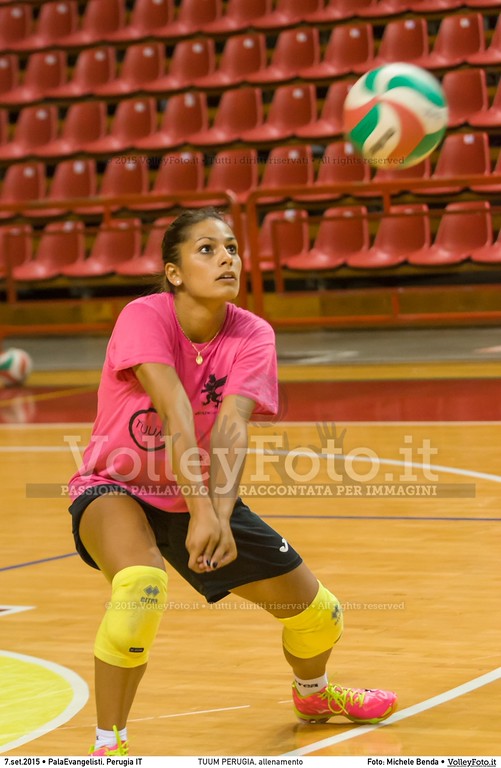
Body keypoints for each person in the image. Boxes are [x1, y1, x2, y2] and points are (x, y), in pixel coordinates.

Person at [68, 207, 397, 756]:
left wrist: (216, 514)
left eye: (231, 248)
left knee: (319, 616)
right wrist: (203, 513)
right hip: (115, 487)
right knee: (140, 589)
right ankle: (109, 745)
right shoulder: (143, 316)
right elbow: (175, 410)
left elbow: (231, 427)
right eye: (206, 249)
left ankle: (314, 696)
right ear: (173, 272)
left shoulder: (253, 333)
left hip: (197, 493)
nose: (226, 258)